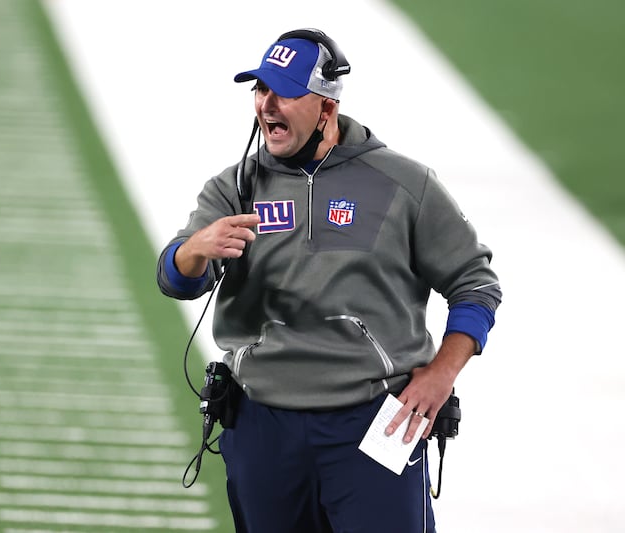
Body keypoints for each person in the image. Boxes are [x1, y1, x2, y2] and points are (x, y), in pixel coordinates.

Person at [156, 28, 501, 533]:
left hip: (374, 422)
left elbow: (476, 284)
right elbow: (177, 279)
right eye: (259, 89)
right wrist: (192, 251)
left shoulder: (404, 184)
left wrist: (440, 373)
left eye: (285, 92)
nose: (267, 104)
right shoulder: (234, 188)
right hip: (262, 424)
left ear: (325, 107)